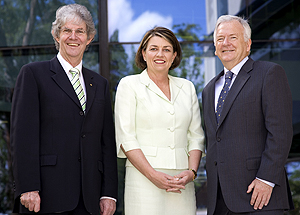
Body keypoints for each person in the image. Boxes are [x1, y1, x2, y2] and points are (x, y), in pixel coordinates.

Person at [10, 4, 118, 215]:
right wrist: (28, 186)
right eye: (67, 30)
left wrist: (109, 193)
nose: (73, 37)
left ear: (89, 39)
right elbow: (23, 135)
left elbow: (107, 142)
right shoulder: (33, 74)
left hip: (90, 198)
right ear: (56, 35)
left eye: (80, 31)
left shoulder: (101, 84)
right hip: (45, 197)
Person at [202, 15, 294, 215]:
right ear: (215, 48)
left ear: (248, 43)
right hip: (220, 202)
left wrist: (266, 179)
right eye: (220, 39)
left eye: (233, 37)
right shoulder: (209, 89)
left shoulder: (269, 74)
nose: (225, 43)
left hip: (260, 197)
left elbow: (280, 132)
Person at [114, 26, 205, 214]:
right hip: (143, 180)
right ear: (143, 53)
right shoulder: (129, 85)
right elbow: (126, 138)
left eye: (167, 49)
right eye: (154, 48)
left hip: (182, 181)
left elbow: (196, 136)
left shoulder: (187, 88)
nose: (160, 54)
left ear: (174, 56)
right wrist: (153, 175)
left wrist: (192, 172)